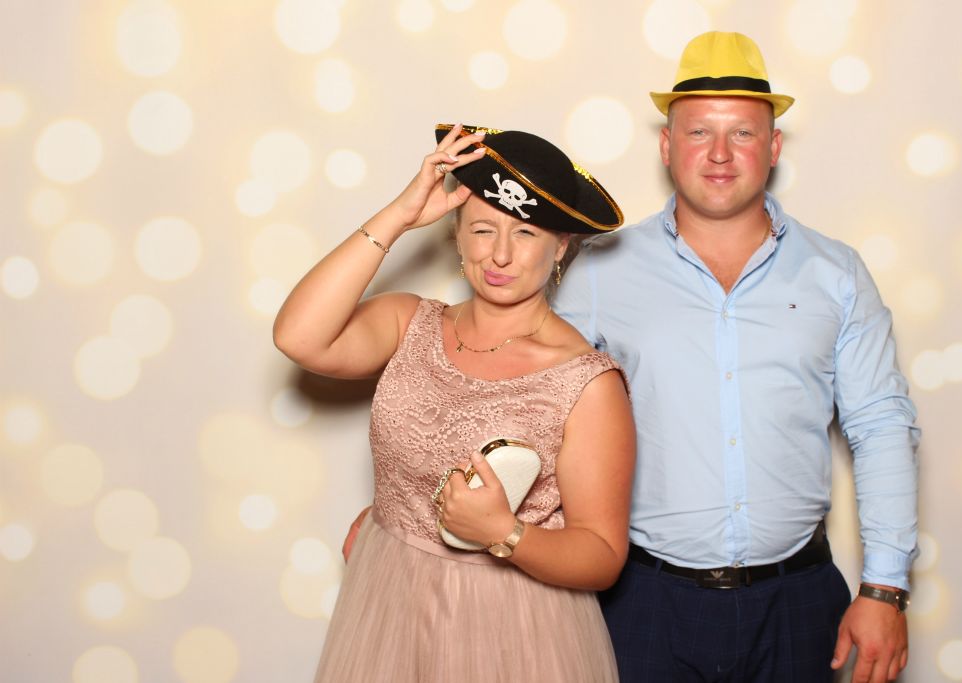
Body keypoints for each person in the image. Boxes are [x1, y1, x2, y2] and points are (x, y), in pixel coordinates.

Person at [552, 32, 920, 683]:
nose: (719, 154)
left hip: (799, 600)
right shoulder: (601, 270)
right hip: (643, 600)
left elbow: (881, 425)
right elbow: (534, 409)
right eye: (699, 132)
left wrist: (885, 588)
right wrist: (408, 506)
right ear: (666, 146)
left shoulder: (837, 272)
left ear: (773, 148)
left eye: (742, 133)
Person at [273, 122, 636, 681]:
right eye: (483, 229)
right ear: (457, 235)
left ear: (561, 245)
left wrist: (505, 534)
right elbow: (298, 337)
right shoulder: (408, 323)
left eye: (525, 233)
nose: (500, 255)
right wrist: (399, 216)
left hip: (511, 626)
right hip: (390, 601)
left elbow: (603, 556)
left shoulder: (585, 381)